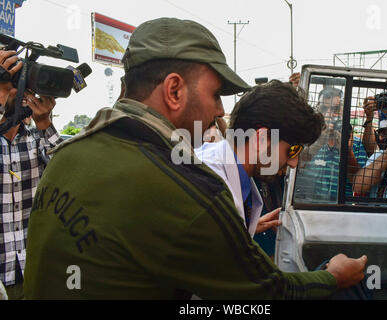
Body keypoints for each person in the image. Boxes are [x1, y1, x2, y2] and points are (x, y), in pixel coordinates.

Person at [24, 17, 366, 299]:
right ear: (174, 91)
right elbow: (267, 295)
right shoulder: (188, 189)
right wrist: (332, 277)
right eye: (215, 94)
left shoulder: (69, 154)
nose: (220, 109)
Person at [195, 80, 317, 238]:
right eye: (292, 151)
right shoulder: (210, 187)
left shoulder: (227, 174)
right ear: (261, 139)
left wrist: (244, 229)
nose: (293, 163)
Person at [0, 50, 61, 300]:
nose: (17, 91)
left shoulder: (38, 138)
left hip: (35, 272)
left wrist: (45, 123)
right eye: (8, 83)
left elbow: (68, 172)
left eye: (21, 84)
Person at [296, 87, 367, 202]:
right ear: (317, 110)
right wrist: (319, 142)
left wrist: (347, 152)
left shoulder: (356, 144)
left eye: (335, 109)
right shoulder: (305, 138)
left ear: (344, 112)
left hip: (340, 210)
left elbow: (357, 183)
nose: (328, 114)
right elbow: (297, 166)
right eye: (324, 109)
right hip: (306, 206)